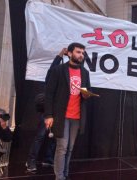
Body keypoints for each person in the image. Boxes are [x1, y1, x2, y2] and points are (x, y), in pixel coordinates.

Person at [44, 42, 91, 180]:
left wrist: (86, 94)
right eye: (78, 52)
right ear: (69, 53)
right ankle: (59, 177)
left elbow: (87, 91)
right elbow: (49, 94)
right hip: (61, 116)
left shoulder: (85, 72)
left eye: (82, 53)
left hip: (77, 116)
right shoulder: (58, 70)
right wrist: (48, 115)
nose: (81, 55)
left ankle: (65, 174)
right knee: (62, 147)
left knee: (70, 148)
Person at [26, 48, 67, 172]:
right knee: (40, 136)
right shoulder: (51, 79)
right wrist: (60, 55)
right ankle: (30, 161)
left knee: (54, 137)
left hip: (58, 114)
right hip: (47, 112)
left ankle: (48, 159)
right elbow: (53, 68)